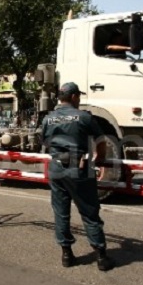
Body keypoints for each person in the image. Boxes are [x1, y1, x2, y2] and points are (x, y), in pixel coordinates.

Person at [41, 82, 115, 271]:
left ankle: (67, 255)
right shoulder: (84, 117)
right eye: (78, 96)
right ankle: (101, 257)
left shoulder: (48, 119)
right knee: (89, 213)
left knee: (61, 213)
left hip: (56, 169)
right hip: (79, 169)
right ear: (73, 97)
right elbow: (101, 140)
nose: (79, 99)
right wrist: (101, 157)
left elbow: (45, 142)